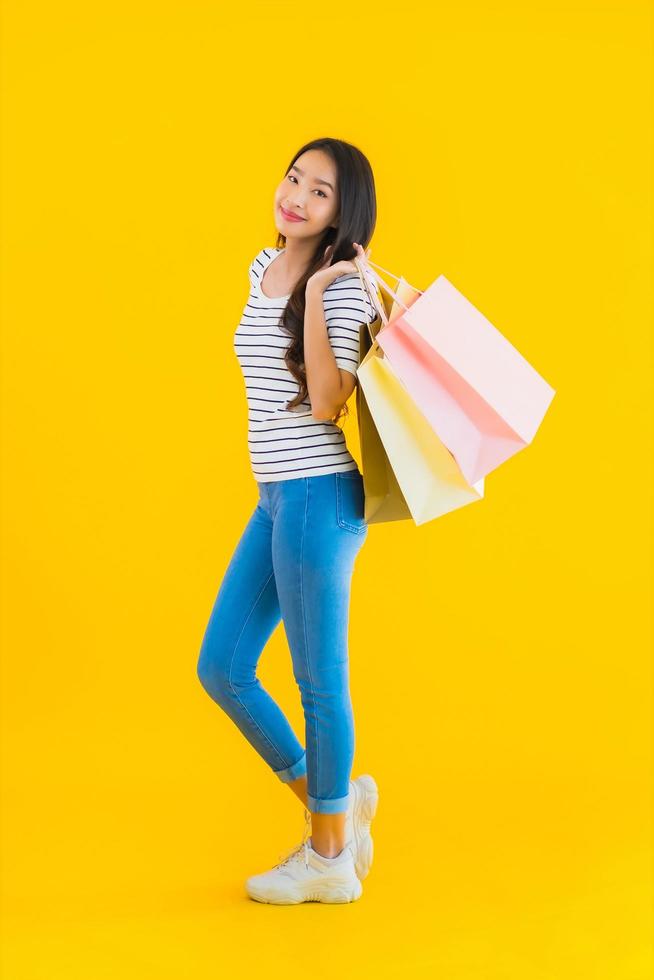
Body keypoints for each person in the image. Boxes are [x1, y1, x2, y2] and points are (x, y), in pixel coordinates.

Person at [197, 137, 380, 904]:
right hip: (274, 494)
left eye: (321, 192)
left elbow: (331, 403)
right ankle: (335, 813)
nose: (296, 196)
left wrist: (329, 286)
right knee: (223, 667)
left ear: (345, 215)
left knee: (317, 680)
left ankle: (330, 858)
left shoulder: (340, 292)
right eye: (294, 177)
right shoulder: (259, 268)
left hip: (316, 495)